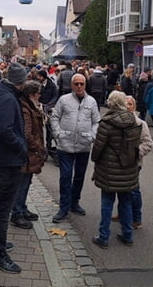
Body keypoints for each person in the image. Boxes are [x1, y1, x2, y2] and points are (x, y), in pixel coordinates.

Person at [0, 62, 28, 274]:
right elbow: (5, 130)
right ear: (21, 81)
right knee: (3, 208)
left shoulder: (1, 93)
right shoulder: (8, 98)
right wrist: (22, 148)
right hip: (7, 161)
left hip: (0, 159)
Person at [90, 91, 142, 249]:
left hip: (109, 168)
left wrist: (94, 159)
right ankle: (127, 235)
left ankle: (104, 237)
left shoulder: (107, 122)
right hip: (128, 168)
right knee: (125, 202)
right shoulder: (134, 121)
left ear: (111, 103)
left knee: (107, 202)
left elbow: (98, 146)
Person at [50, 73, 100, 223]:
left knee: (79, 176)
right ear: (72, 85)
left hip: (83, 146)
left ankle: (74, 202)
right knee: (65, 176)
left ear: (85, 85)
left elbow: (97, 121)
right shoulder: (64, 100)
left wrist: (92, 136)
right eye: (76, 84)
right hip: (65, 145)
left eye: (81, 84)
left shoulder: (91, 101)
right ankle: (64, 207)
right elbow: (54, 117)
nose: (79, 86)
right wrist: (58, 134)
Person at [110, 95, 153, 229]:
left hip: (135, 163)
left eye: (130, 104)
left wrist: (134, 153)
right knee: (122, 189)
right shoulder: (119, 122)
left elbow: (148, 143)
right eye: (126, 104)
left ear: (134, 107)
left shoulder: (140, 123)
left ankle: (136, 217)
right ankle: (123, 213)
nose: (128, 107)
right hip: (121, 162)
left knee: (134, 190)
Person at [10, 80, 45, 230]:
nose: (39, 96)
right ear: (31, 95)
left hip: (29, 151)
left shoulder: (29, 105)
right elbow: (26, 133)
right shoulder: (26, 109)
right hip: (27, 152)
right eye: (38, 94)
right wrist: (36, 147)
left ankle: (22, 208)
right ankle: (17, 214)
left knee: (26, 181)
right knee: (22, 184)